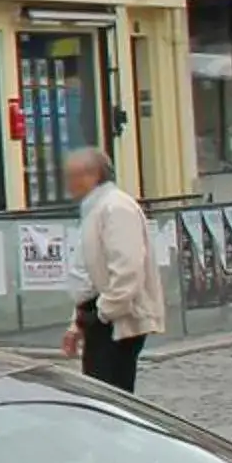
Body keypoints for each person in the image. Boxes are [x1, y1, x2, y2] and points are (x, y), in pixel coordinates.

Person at [60, 146, 164, 390]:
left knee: (110, 392)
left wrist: (103, 314)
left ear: (92, 176)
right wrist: (78, 322)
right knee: (101, 390)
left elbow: (127, 269)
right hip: (102, 316)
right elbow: (87, 274)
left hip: (117, 321)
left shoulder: (116, 207)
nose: (68, 184)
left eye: (73, 176)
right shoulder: (95, 209)